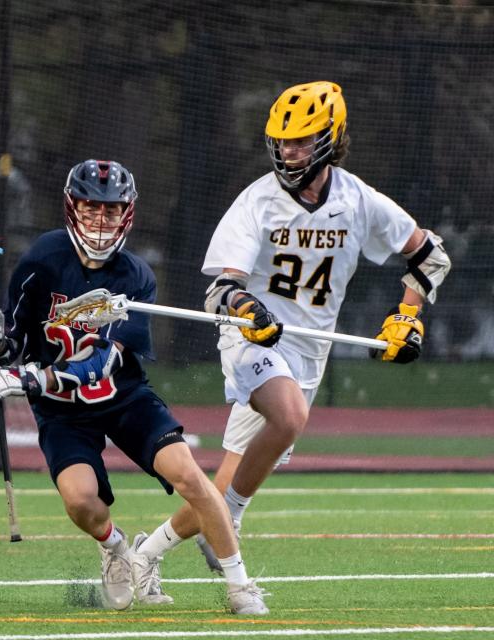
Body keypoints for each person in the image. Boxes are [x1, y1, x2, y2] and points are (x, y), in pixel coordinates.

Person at [131, 81, 452, 573]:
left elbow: (430, 257)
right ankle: (230, 523)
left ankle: (143, 556)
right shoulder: (257, 202)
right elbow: (220, 289)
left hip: (307, 351)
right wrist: (246, 308)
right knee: (289, 417)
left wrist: (407, 316)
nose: (288, 150)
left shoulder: (358, 200)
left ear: (330, 138)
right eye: (282, 140)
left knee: (222, 485)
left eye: (300, 140)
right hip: (251, 339)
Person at [0, 159, 268, 614]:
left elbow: (103, 362)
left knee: (190, 476)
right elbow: (16, 341)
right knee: (81, 503)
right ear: (73, 208)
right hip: (62, 411)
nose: (100, 222)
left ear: (127, 214)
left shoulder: (137, 276)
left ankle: (240, 586)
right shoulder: (42, 261)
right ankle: (117, 549)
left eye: (111, 212)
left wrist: (31, 376)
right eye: (91, 210)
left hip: (123, 397)